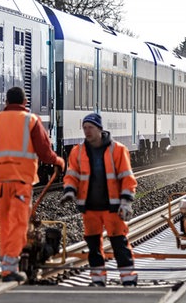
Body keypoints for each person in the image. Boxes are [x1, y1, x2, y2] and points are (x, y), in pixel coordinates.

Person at [0, 86, 65, 283]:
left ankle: (8, 264)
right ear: (25, 102)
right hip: (21, 181)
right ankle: (10, 268)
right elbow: (44, 151)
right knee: (18, 223)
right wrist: (58, 161)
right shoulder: (31, 121)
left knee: (5, 223)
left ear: (6, 102)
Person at [60, 113, 138, 287]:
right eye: (85, 128)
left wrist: (126, 202)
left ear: (100, 129)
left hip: (113, 207)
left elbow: (127, 178)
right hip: (90, 208)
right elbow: (72, 175)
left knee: (119, 245)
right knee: (93, 246)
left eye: (90, 128)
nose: (87, 131)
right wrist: (69, 191)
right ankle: (97, 280)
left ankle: (128, 279)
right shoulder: (77, 151)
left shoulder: (117, 150)